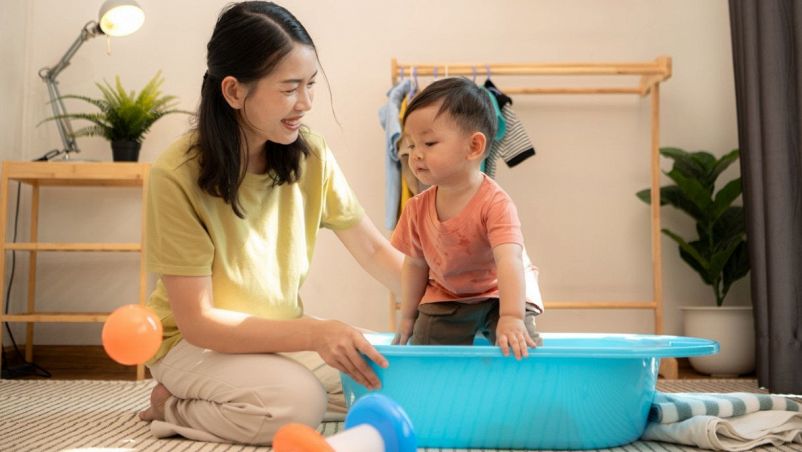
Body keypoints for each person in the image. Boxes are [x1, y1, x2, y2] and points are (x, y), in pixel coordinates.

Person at [137, 1, 402, 445]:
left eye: (310, 85)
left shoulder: (311, 155)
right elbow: (199, 321)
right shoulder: (175, 175)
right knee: (297, 405)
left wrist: (453, 298)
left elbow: (375, 251)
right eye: (290, 88)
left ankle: (247, 396)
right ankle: (172, 404)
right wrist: (316, 333)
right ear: (234, 91)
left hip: (277, 335)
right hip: (192, 343)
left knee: (397, 379)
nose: (306, 103)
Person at [391, 77, 541, 360]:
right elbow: (415, 265)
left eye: (429, 143)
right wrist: (408, 316)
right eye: (411, 145)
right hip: (448, 295)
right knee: (425, 348)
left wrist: (512, 316)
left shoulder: (495, 203)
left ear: (473, 147)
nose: (416, 155)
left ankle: (516, 355)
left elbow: (509, 261)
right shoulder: (416, 208)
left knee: (519, 341)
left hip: (499, 294)